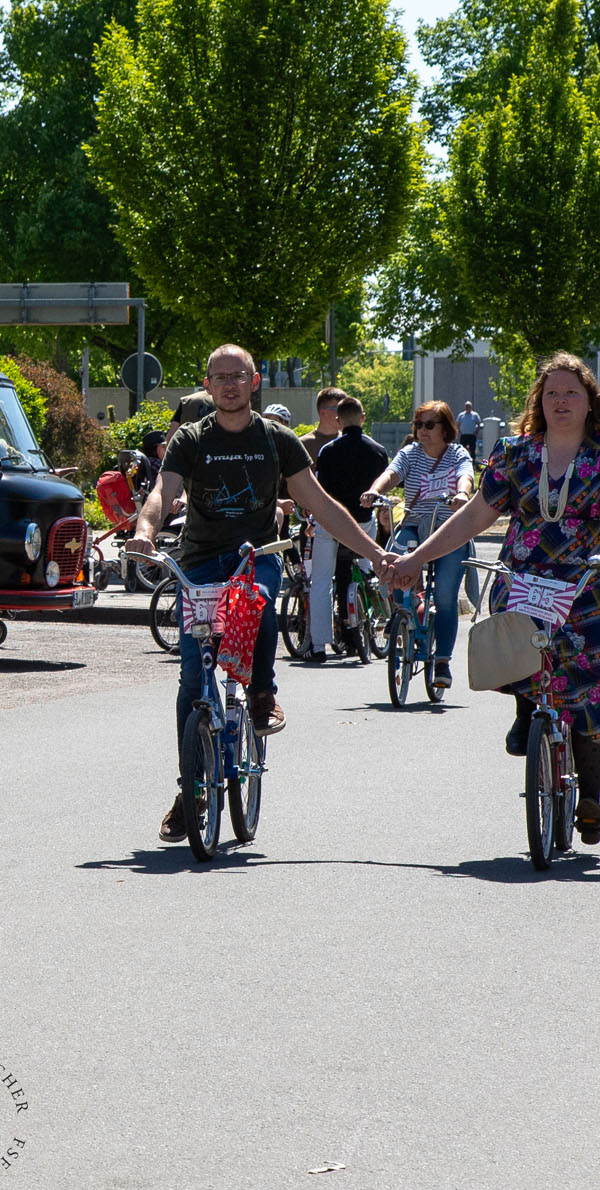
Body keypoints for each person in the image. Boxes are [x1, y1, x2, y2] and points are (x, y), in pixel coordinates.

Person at [128, 344, 391, 844]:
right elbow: (162, 493)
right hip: (201, 561)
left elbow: (321, 503)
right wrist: (144, 528)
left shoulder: (277, 440)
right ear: (206, 385)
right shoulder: (190, 439)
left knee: (259, 603)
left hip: (257, 554)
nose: (229, 384)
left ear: (254, 382)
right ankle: (192, 791)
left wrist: (373, 553)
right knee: (192, 680)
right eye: (219, 376)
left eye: (238, 375)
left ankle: (262, 692)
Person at [378, 352, 600, 845]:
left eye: (571, 393)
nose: (560, 401)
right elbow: (476, 515)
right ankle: (528, 710)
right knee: (520, 657)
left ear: (590, 402)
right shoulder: (516, 452)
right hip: (523, 579)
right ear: (539, 402)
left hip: (587, 585)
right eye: (552, 393)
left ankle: (589, 796)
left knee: (588, 697)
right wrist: (416, 560)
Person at [363, 401, 476, 689]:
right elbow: (392, 473)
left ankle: (442, 661)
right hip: (414, 525)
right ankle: (403, 611)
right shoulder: (410, 453)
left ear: (446, 428)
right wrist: (375, 490)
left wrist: (462, 495)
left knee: (445, 596)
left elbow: (466, 477)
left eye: (429, 425)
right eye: (418, 425)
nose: (422, 431)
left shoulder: (457, 453)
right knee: (393, 560)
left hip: (448, 531)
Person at [308, 397, 390, 662]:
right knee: (366, 571)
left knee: (321, 581)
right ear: (363, 418)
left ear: (338, 420)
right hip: (363, 522)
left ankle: (319, 645)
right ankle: (365, 625)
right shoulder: (378, 451)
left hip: (330, 522)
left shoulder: (328, 451)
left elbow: (319, 490)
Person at [301, 388, 345, 461]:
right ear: (323, 412)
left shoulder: (348, 441)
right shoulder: (304, 444)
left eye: (345, 409)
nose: (343, 413)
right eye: (339, 409)